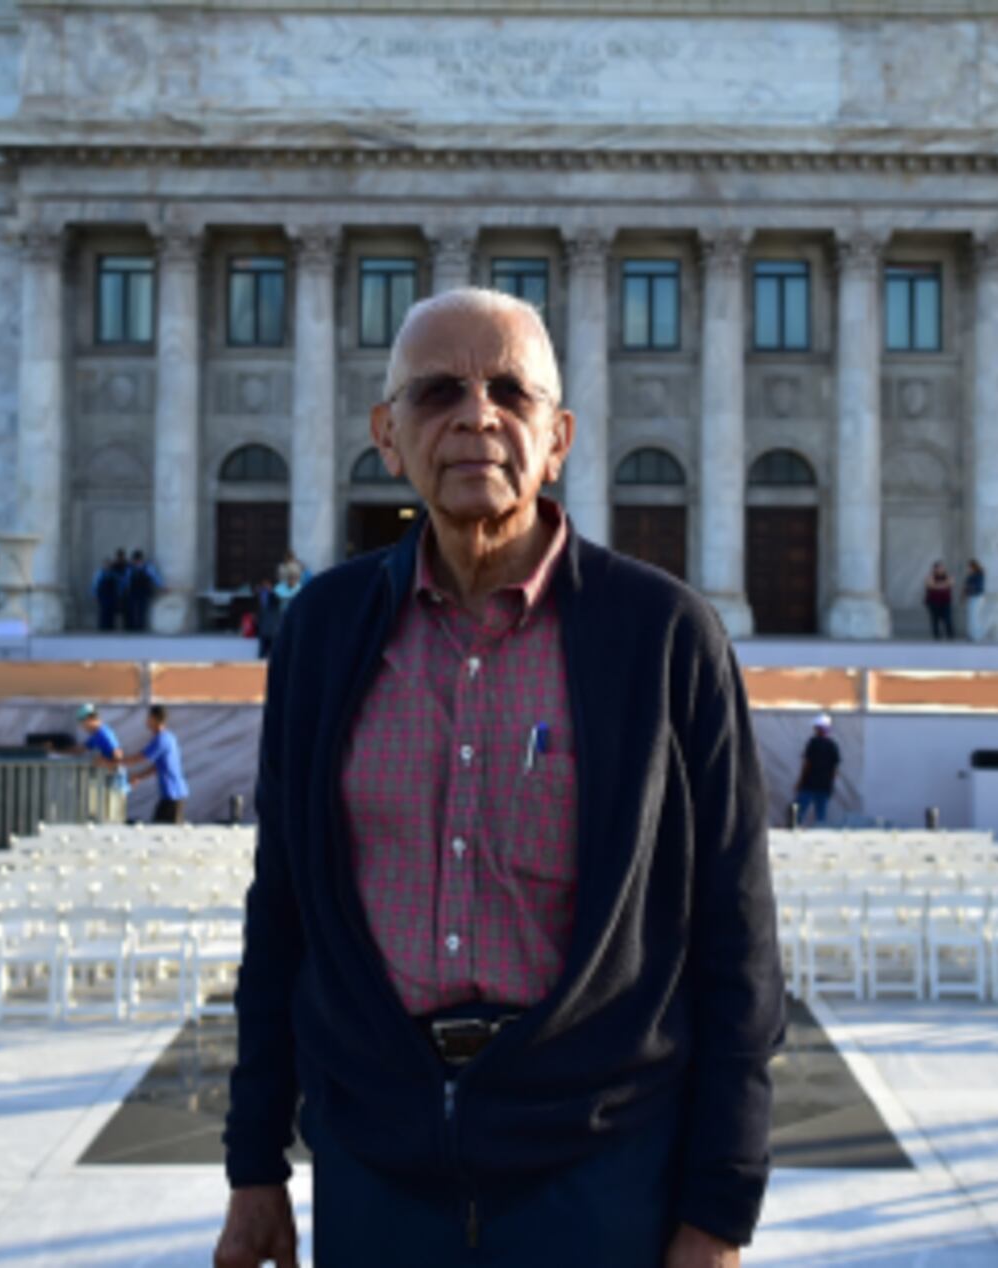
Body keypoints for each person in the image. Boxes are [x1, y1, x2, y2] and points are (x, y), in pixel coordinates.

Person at [217, 289, 781, 1268]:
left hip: (599, 1160)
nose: (476, 415)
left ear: (556, 436)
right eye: (438, 392)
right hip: (377, 1159)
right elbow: (283, 916)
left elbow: (735, 933)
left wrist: (719, 1205)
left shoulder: (663, 634)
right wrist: (253, 1162)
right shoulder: (322, 629)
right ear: (385, 437)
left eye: (510, 393)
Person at [124, 704, 186, 824]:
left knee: (164, 833)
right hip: (171, 795)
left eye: (149, 718)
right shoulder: (168, 737)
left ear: (155, 719)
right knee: (159, 830)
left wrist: (113, 762)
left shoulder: (161, 739)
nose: (147, 721)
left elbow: (140, 758)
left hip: (173, 795)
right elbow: (157, 767)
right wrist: (138, 777)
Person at [75, 703, 132, 823]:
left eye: (82, 722)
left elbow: (119, 757)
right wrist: (55, 749)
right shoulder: (96, 735)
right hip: (109, 783)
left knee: (113, 822)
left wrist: (103, 761)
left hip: (116, 784)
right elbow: (80, 749)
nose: (82, 726)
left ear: (90, 719)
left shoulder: (104, 734)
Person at [794, 714, 843, 826]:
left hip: (809, 784)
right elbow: (835, 769)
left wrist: (800, 781)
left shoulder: (813, 743)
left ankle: (796, 829)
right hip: (824, 785)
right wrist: (830, 783)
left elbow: (807, 764)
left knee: (800, 811)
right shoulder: (833, 745)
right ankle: (820, 832)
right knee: (821, 814)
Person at [95, 550, 128, 631]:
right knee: (103, 611)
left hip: (112, 595)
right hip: (103, 595)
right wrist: (95, 594)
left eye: (108, 564)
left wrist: (120, 593)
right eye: (106, 564)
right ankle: (103, 626)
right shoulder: (100, 573)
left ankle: (110, 627)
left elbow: (120, 584)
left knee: (111, 611)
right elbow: (95, 584)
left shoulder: (114, 574)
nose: (107, 566)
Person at [922, 561, 955, 641]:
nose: (941, 569)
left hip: (945, 601)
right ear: (935, 569)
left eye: (942, 567)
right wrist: (943, 585)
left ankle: (950, 635)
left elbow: (950, 583)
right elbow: (930, 585)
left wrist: (937, 585)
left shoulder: (948, 576)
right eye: (939, 568)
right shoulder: (930, 576)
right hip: (933, 601)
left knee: (948, 618)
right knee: (935, 619)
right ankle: (936, 636)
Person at [127, 550, 158, 632]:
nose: (136, 562)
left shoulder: (148, 568)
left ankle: (140, 627)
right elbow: (126, 580)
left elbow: (155, 577)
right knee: (132, 610)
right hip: (133, 592)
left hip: (143, 592)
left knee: (142, 610)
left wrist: (161, 586)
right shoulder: (130, 568)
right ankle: (133, 627)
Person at [252, 576, 279, 660]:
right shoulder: (258, 594)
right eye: (264, 584)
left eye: (267, 584)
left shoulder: (273, 595)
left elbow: (277, 604)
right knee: (262, 640)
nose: (265, 586)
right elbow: (254, 606)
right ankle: (261, 656)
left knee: (271, 641)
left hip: (271, 623)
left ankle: (271, 657)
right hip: (262, 621)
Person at [962, 558, 986, 643]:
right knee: (971, 616)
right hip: (972, 597)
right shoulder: (971, 575)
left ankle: (977, 635)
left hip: (977, 597)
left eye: (969, 567)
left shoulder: (979, 575)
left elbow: (978, 587)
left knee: (975, 617)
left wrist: (969, 588)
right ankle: (972, 634)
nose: (968, 569)